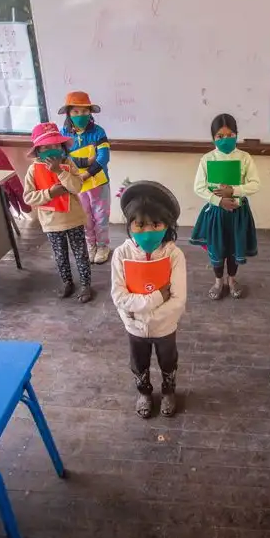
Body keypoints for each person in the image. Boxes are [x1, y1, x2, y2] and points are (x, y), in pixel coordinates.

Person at [110, 181, 187, 418]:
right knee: (139, 362)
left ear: (167, 224)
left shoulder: (174, 255)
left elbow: (178, 299)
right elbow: (119, 296)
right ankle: (144, 392)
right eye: (140, 224)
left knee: (168, 360)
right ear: (130, 225)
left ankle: (168, 391)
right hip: (134, 326)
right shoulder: (121, 254)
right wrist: (156, 297)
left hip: (165, 326)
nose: (147, 231)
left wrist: (145, 313)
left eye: (156, 224)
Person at [189, 113, 261, 300]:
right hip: (216, 212)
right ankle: (218, 281)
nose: (225, 139)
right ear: (213, 137)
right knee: (218, 248)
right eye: (220, 136)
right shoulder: (207, 159)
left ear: (237, 134)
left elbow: (255, 184)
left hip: (239, 212)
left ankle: (232, 280)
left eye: (230, 135)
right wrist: (219, 201)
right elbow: (198, 187)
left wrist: (234, 191)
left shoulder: (245, 158)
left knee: (235, 247)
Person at [22, 122, 93, 303]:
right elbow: (28, 197)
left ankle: (86, 285)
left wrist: (59, 172)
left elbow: (76, 187)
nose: (52, 151)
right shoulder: (33, 170)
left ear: (62, 147)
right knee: (60, 255)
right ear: (38, 151)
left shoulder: (68, 164)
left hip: (73, 219)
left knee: (81, 254)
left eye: (55, 146)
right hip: (51, 223)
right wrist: (49, 193)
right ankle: (67, 282)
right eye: (46, 147)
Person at [60, 91, 113, 265]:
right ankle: (91, 245)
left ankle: (103, 246)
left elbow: (103, 157)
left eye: (84, 111)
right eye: (76, 112)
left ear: (90, 112)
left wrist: (88, 172)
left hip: (99, 182)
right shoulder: (63, 134)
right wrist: (84, 161)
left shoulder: (98, 132)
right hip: (78, 185)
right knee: (85, 218)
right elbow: (63, 157)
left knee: (101, 217)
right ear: (69, 113)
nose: (80, 115)